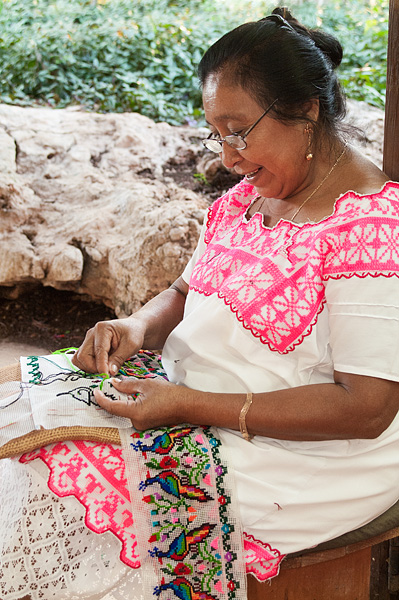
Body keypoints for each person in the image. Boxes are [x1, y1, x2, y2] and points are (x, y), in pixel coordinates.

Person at [1, 6, 399, 600]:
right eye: (216, 133)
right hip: (189, 396)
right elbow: (187, 292)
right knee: (14, 410)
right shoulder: (245, 200)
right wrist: (136, 325)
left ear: (307, 110)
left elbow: (366, 409)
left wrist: (189, 404)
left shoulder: (373, 230)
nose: (227, 156)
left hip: (302, 456)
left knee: (47, 490)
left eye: (239, 131)